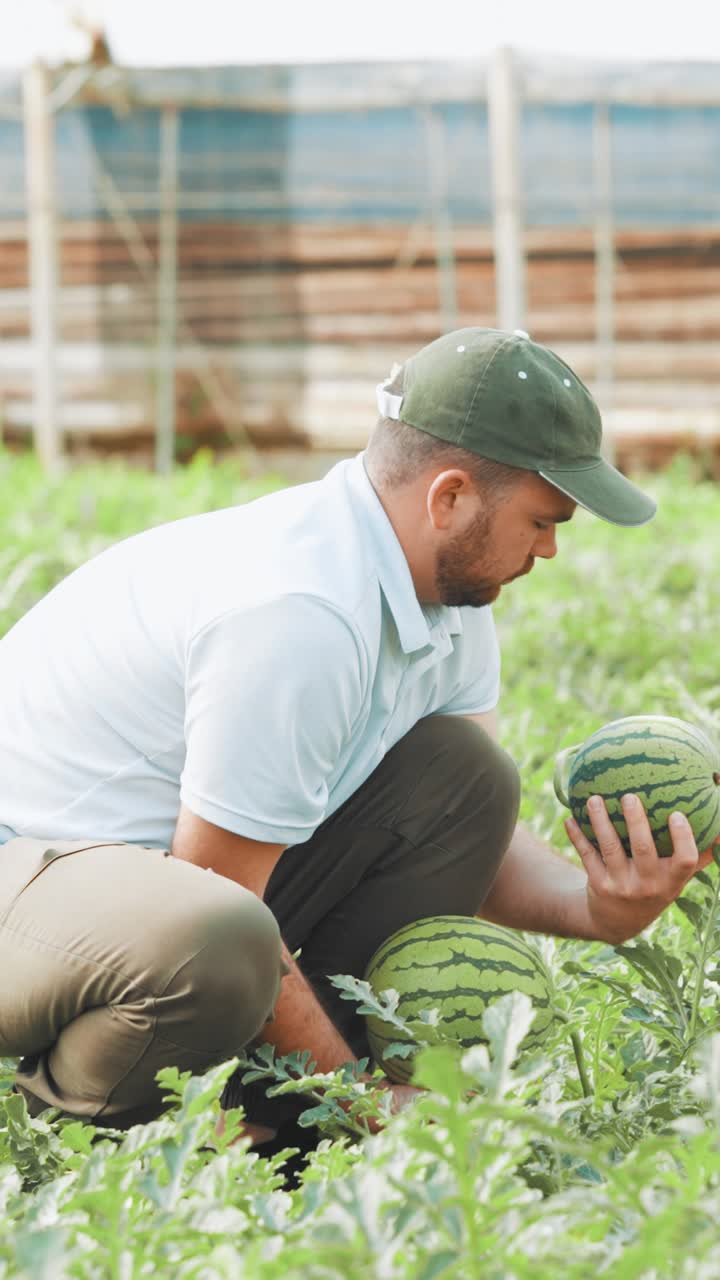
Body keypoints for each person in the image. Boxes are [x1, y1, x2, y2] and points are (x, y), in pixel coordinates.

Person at [0, 327, 714, 1141]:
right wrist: (363, 1102)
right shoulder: (297, 614)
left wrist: (602, 909)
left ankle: (274, 1109)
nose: (550, 548)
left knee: (467, 778)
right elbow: (219, 892)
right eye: (544, 520)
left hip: (141, 883)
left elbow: (469, 840)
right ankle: (81, 1115)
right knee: (217, 935)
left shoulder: (445, 593)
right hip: (24, 886)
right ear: (449, 499)